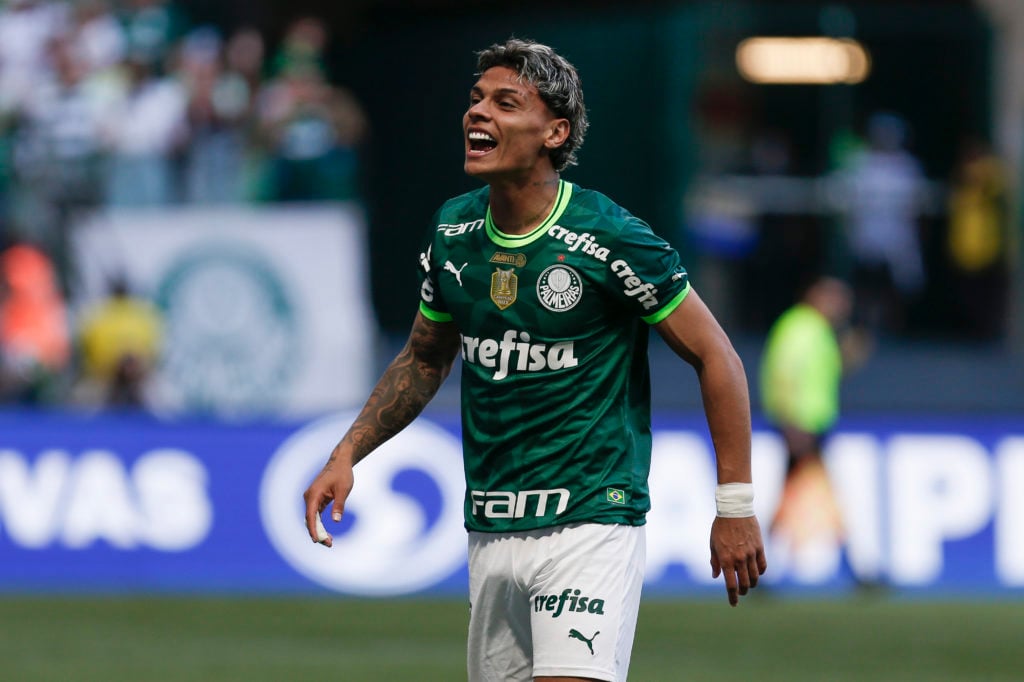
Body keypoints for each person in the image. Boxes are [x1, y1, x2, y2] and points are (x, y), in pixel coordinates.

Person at [303, 38, 766, 682]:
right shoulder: (453, 233)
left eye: (504, 102)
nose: (477, 115)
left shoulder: (609, 237)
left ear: (555, 131)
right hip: (490, 527)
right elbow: (424, 358)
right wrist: (347, 452)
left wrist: (736, 504)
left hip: (589, 520)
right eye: (475, 100)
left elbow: (716, 355)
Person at [758, 276, 860, 581]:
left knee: (794, 493)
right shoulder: (802, 327)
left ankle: (760, 566)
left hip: (810, 424)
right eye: (836, 299)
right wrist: (790, 421)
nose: (841, 307)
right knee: (816, 492)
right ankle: (855, 569)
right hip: (802, 426)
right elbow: (785, 374)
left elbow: (824, 373)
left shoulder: (813, 329)